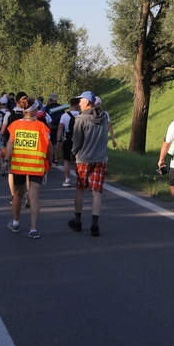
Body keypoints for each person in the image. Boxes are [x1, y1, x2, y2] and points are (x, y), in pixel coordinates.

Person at [4, 96, 53, 239]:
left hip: (18, 165)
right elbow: (49, 147)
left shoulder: (15, 125)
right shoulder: (41, 126)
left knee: (17, 195)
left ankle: (16, 222)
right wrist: (49, 161)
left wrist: (6, 160)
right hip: (36, 166)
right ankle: (33, 229)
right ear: (34, 110)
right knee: (34, 197)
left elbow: (10, 144)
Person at [68, 91, 109, 237]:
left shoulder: (80, 119)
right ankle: (95, 224)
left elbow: (77, 141)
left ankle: (78, 221)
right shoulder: (104, 117)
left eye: (81, 100)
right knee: (96, 191)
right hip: (100, 158)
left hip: (84, 158)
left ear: (87, 102)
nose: (79, 103)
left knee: (80, 189)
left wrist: (73, 152)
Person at [56, 97, 80, 187]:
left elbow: (60, 128)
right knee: (78, 160)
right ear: (78, 105)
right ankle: (79, 179)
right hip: (79, 141)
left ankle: (67, 179)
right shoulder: (81, 115)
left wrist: (59, 140)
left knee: (67, 160)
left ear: (70, 106)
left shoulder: (64, 116)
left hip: (67, 140)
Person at [43, 93, 62, 165]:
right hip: (58, 126)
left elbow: (45, 116)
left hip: (50, 126)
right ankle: (56, 159)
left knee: (50, 142)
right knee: (57, 142)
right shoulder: (60, 107)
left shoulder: (47, 107)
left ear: (50, 99)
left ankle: (49, 158)